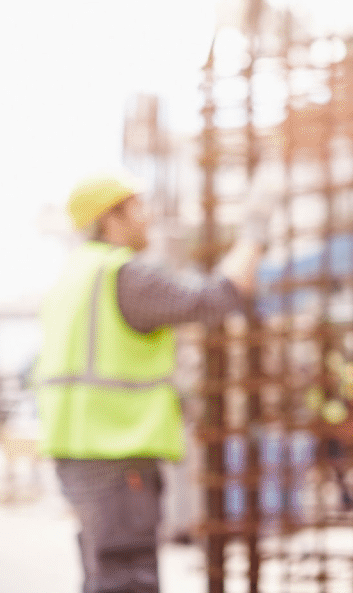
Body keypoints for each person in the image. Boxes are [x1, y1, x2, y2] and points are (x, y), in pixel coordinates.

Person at [33, 169, 268, 593]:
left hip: (76, 451)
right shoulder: (122, 275)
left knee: (104, 574)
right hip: (117, 451)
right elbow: (214, 298)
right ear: (111, 219)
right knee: (127, 579)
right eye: (137, 208)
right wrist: (253, 236)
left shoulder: (73, 277)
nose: (148, 218)